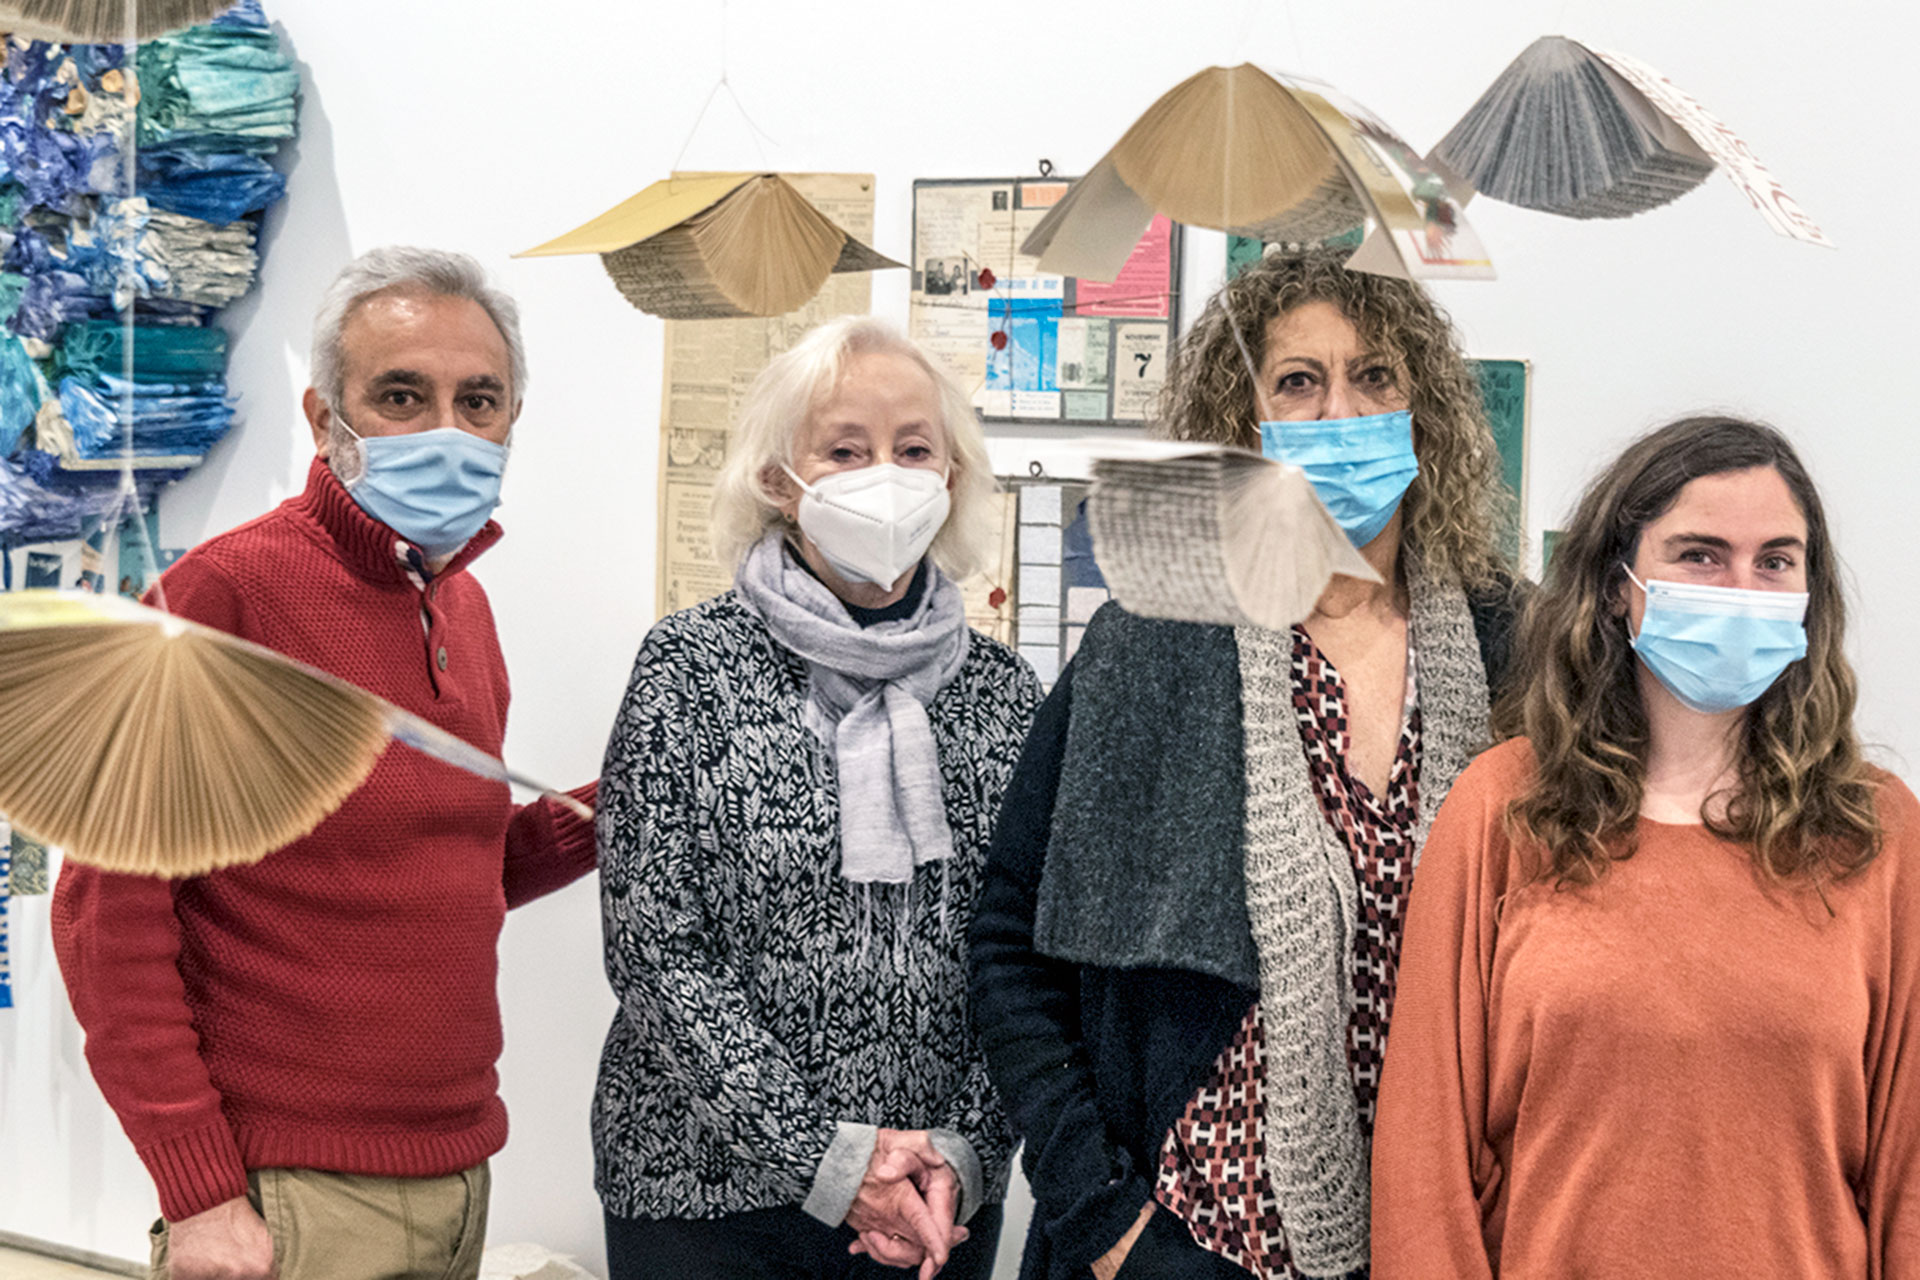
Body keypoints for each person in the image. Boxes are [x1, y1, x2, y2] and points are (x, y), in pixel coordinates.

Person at [969, 248, 1523, 1280]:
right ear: (1243, 423)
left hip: (1449, 1233)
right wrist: (1108, 1222)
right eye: (1297, 382)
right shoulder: (1152, 636)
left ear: (1424, 412)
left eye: (1375, 376)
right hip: (1185, 1232)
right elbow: (1010, 938)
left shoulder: (1516, 650)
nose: (1336, 413)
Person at [52, 246, 597, 1280]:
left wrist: (621, 807)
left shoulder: (462, 605)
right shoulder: (221, 599)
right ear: (322, 419)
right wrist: (201, 1190)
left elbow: (448, 863)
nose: (448, 428)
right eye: (403, 394)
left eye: (479, 400)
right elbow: (102, 907)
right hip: (287, 1197)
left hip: (456, 1171)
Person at [1371, 416, 1920, 1278]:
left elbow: (1908, 1171)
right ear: (1618, 583)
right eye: (1700, 555)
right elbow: (1424, 1157)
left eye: (1775, 561)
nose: (1741, 586)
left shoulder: (1878, 831)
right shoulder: (1503, 808)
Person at [594, 315, 1038, 1280]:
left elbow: (1026, 955)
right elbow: (657, 951)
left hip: (936, 1202)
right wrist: (831, 1165)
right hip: (706, 1194)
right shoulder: (687, 668)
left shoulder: (1004, 692)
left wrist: (963, 1148)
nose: (886, 473)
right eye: (845, 449)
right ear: (776, 480)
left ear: (952, 475)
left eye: (914, 448)